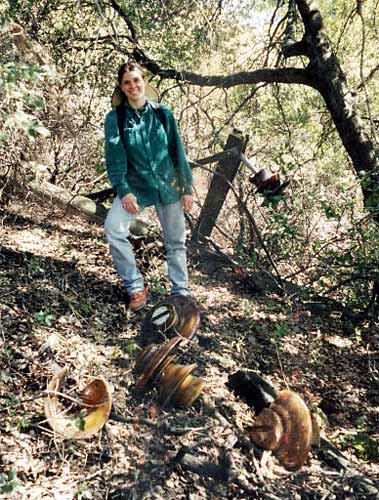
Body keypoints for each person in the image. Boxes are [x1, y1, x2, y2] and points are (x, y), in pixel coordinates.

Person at [104, 61, 193, 312]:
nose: (133, 86)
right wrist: (124, 190)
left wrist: (186, 188)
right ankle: (135, 286)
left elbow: (177, 152)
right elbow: (115, 157)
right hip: (136, 188)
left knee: (175, 242)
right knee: (113, 228)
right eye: (126, 82)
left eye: (136, 80)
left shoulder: (163, 113)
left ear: (144, 81)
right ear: (121, 88)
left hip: (168, 185)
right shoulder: (116, 118)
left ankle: (180, 293)